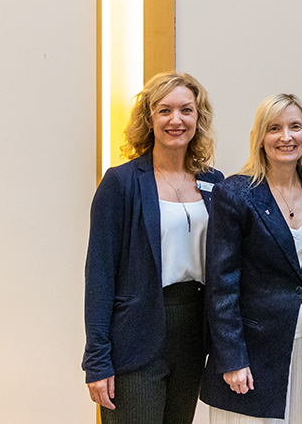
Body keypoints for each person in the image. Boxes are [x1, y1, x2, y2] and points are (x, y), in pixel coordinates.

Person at [83, 72, 223, 423]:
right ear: (149, 118)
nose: (176, 120)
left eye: (186, 111)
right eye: (165, 111)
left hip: (191, 334)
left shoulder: (214, 183)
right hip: (135, 335)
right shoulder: (122, 183)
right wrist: (97, 360)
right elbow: (100, 275)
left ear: (198, 118)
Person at [201, 94, 302, 423]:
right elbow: (221, 285)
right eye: (274, 128)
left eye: (295, 127)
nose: (286, 137)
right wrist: (231, 358)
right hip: (253, 353)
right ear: (260, 136)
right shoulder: (236, 193)